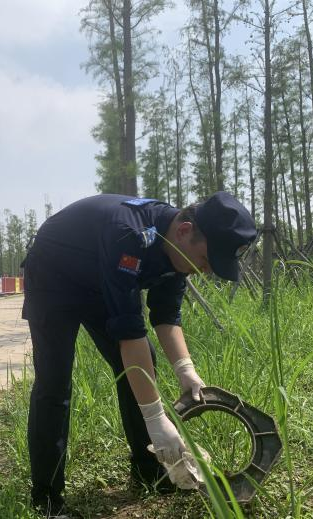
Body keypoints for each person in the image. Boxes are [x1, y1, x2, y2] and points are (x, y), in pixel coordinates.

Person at [21, 192, 256, 515]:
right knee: (55, 383)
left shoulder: (176, 250)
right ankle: (46, 498)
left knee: (143, 365)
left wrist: (186, 369)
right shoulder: (130, 236)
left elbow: (166, 316)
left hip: (100, 281)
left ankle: (148, 468)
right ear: (185, 231)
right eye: (205, 261)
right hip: (53, 277)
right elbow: (130, 334)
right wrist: (156, 418)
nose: (205, 271)